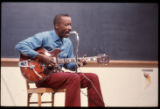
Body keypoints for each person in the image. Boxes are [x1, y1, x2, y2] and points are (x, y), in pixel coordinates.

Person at [15, 13, 105, 107]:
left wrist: (78, 64)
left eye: (70, 25)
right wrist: (41, 57)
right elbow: (20, 46)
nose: (70, 28)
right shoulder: (44, 36)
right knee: (73, 78)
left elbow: (69, 66)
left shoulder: (68, 42)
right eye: (66, 25)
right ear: (57, 26)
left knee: (93, 77)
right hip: (43, 76)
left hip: (60, 76)